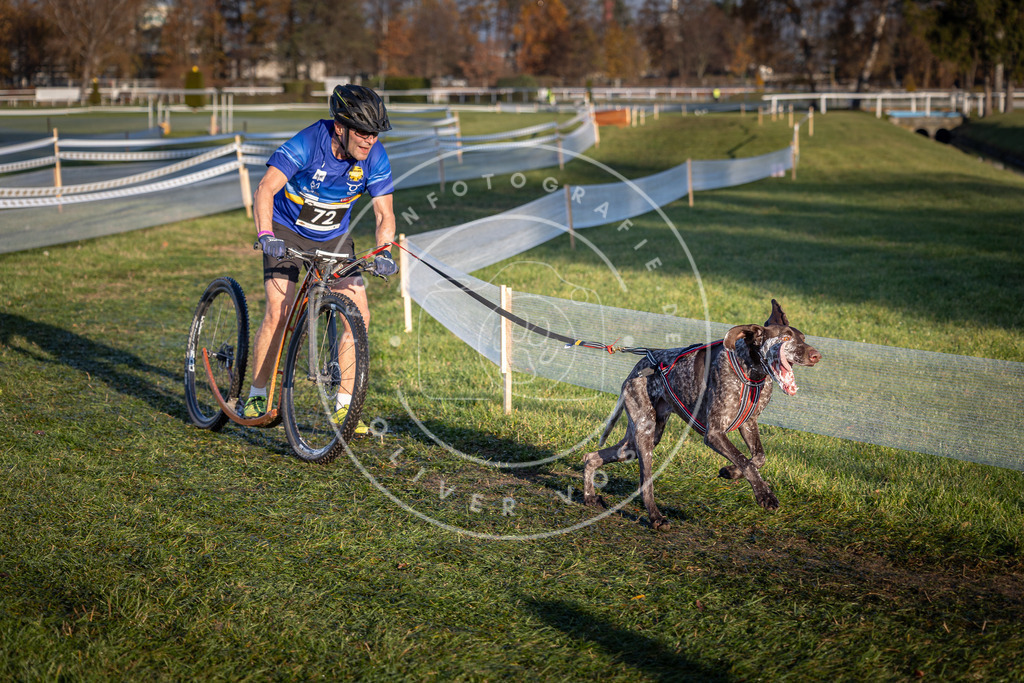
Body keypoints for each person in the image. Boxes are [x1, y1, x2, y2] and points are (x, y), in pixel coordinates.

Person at [243, 84, 399, 434]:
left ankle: (345, 408)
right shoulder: (309, 142)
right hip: (286, 231)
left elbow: (384, 215)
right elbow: (265, 188)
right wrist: (266, 235)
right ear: (340, 127)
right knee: (278, 310)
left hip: (333, 237)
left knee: (358, 314)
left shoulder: (374, 156)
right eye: (362, 132)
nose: (369, 140)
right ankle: (255, 393)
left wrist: (384, 251)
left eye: (374, 133)